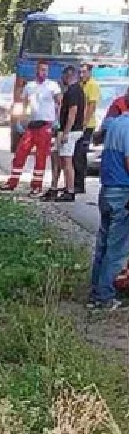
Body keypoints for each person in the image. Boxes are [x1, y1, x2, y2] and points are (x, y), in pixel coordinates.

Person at [0, 61, 63, 196]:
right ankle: (12, 182)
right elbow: (22, 103)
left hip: (45, 125)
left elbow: (60, 102)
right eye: (41, 70)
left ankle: (36, 186)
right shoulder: (30, 86)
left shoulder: (53, 86)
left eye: (45, 70)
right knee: (20, 153)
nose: (43, 72)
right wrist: (18, 120)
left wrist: (57, 121)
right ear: (37, 71)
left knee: (41, 157)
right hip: (32, 124)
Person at [88, 113, 129, 310]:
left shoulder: (115, 123)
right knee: (117, 248)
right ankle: (105, 297)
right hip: (122, 192)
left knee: (103, 246)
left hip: (106, 189)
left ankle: (96, 293)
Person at [43, 66, 83, 202]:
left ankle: (69, 191)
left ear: (68, 76)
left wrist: (66, 132)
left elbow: (73, 112)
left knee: (66, 161)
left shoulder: (73, 91)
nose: (62, 79)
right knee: (56, 157)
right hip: (65, 130)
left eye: (63, 76)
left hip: (70, 131)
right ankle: (54, 188)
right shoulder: (75, 90)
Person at [74, 63, 100, 193]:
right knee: (75, 155)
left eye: (84, 72)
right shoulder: (81, 85)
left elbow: (91, 106)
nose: (81, 75)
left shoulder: (92, 85)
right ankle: (75, 183)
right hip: (78, 124)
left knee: (80, 154)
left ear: (90, 72)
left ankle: (79, 185)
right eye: (80, 72)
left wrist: (84, 123)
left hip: (87, 126)